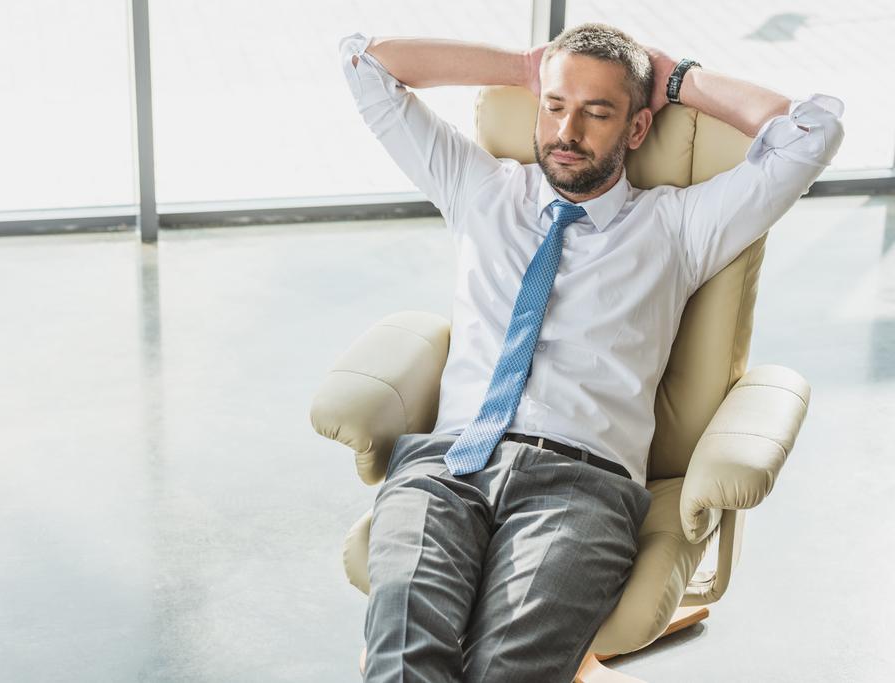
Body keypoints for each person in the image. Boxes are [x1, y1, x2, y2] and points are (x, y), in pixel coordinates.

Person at [338, 21, 843, 683]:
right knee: (403, 660)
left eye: (597, 112)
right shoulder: (483, 189)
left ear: (637, 128)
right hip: (446, 466)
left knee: (507, 670)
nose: (566, 131)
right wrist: (526, 65)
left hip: (580, 487)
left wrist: (678, 80)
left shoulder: (678, 226)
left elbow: (813, 132)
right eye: (555, 107)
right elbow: (365, 66)